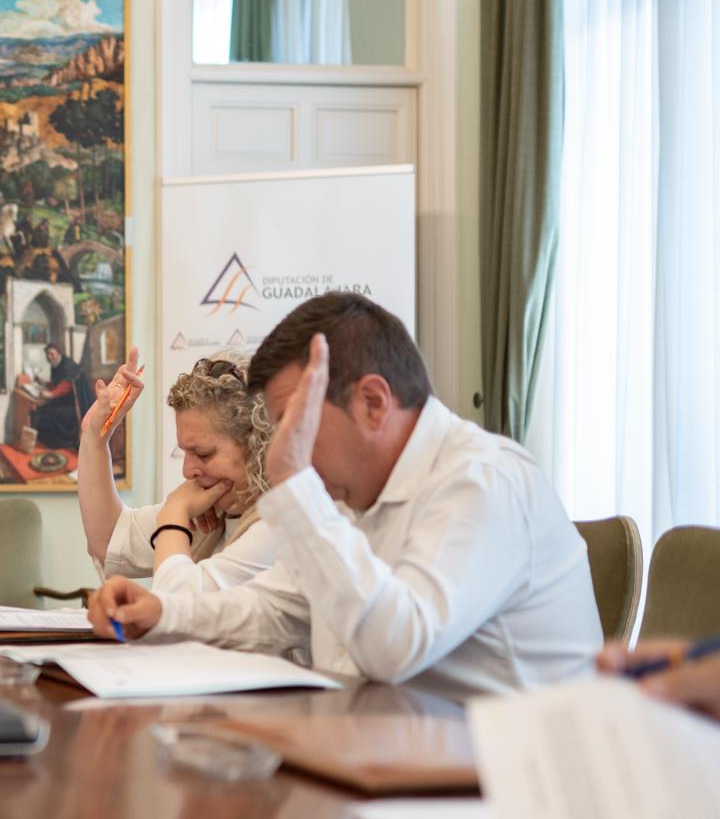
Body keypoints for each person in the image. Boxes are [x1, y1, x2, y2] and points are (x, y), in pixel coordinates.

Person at [89, 293, 601, 699]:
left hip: (497, 783)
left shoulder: (482, 482)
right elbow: (275, 609)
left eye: (297, 423)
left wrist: (295, 487)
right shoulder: (351, 493)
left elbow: (393, 648)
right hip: (391, 757)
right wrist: (161, 614)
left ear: (373, 403)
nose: (281, 446)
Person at [77, 348, 285, 597]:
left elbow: (180, 602)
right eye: (185, 452)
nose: (187, 471)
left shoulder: (280, 526)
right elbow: (109, 541)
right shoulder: (211, 508)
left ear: (258, 445)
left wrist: (174, 513)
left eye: (204, 454)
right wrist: (94, 438)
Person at [26, 342, 90, 455]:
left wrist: (51, 394)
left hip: (75, 405)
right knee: (40, 410)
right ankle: (43, 442)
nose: (49, 357)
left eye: (51, 354)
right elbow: (57, 384)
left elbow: (65, 386)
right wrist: (44, 383)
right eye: (47, 354)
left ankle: (60, 444)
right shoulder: (55, 366)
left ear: (58, 353)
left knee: (54, 415)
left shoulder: (68, 365)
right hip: (63, 400)